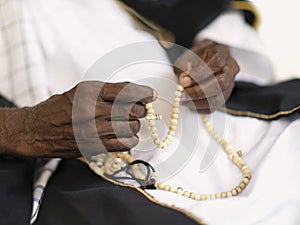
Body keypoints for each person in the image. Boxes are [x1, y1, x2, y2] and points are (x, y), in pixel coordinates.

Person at [0, 0, 299, 225]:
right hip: (74, 182)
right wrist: (20, 128)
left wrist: (213, 51)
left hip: (225, 118)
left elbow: (202, 12)